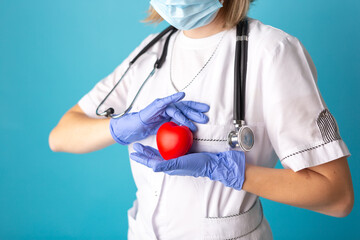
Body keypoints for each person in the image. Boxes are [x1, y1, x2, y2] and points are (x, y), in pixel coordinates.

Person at [49, 0, 354, 239]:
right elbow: (60, 136)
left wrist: (227, 170)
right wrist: (120, 127)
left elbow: (337, 196)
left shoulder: (272, 51)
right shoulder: (151, 51)